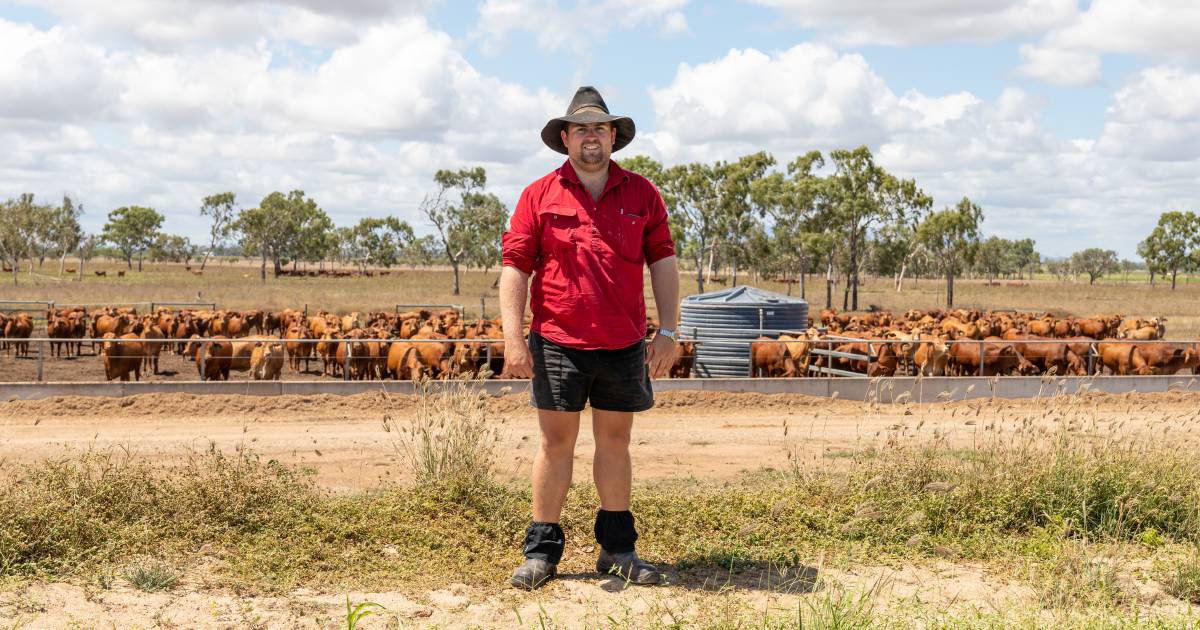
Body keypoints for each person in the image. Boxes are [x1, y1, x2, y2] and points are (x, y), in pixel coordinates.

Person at [500, 86, 680, 590]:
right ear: (565, 136)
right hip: (558, 340)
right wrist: (514, 340)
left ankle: (618, 549)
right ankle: (541, 553)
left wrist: (667, 331)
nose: (591, 137)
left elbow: (663, 261)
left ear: (614, 136)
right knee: (556, 444)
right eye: (581, 129)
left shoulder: (642, 194)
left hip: (623, 343)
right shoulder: (538, 195)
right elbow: (515, 267)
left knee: (615, 442)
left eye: (600, 128)